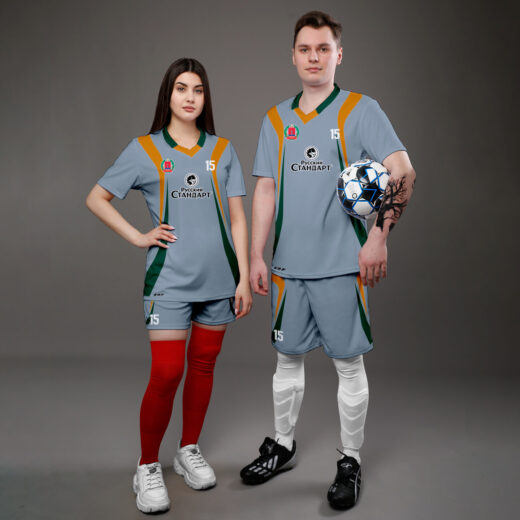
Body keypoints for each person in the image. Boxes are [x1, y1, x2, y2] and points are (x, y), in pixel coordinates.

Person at [239, 11, 416, 511]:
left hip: (342, 265)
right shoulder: (275, 119)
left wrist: (379, 236)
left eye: (323, 48)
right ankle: (283, 445)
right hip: (288, 268)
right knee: (287, 360)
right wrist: (256, 254)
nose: (313, 57)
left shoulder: (362, 110)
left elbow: (403, 171)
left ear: (339, 54)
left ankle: (350, 460)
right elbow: (266, 189)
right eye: (305, 49)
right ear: (293, 56)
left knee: (348, 365)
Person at [86, 58, 252, 514]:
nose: (190, 97)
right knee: (166, 373)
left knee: (203, 366)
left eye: (198, 89)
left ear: (205, 97)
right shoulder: (144, 149)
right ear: (168, 94)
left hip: (220, 280)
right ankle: (146, 466)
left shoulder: (223, 151)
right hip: (170, 281)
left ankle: (188, 449)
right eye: (181, 88)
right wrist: (139, 236)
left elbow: (238, 219)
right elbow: (96, 198)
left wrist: (242, 279)